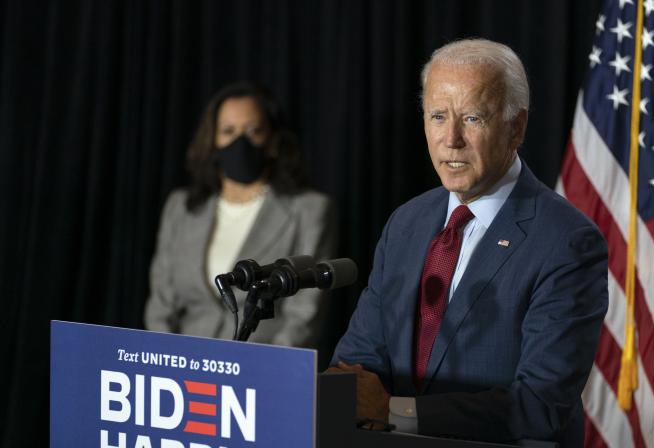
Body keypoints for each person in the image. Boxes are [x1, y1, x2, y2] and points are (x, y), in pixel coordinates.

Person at [329, 39, 608, 446]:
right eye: (438, 116)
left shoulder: (566, 241)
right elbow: (358, 362)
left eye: (473, 118)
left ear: (517, 126)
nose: (451, 138)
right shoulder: (406, 223)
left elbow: (540, 405)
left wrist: (394, 413)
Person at [144, 82, 336, 347]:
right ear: (212, 140)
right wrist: (163, 361)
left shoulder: (309, 210)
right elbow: (160, 306)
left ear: (271, 139)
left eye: (253, 130)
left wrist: (262, 372)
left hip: (263, 368)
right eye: (228, 131)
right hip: (184, 366)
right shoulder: (181, 207)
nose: (240, 141)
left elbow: (304, 315)